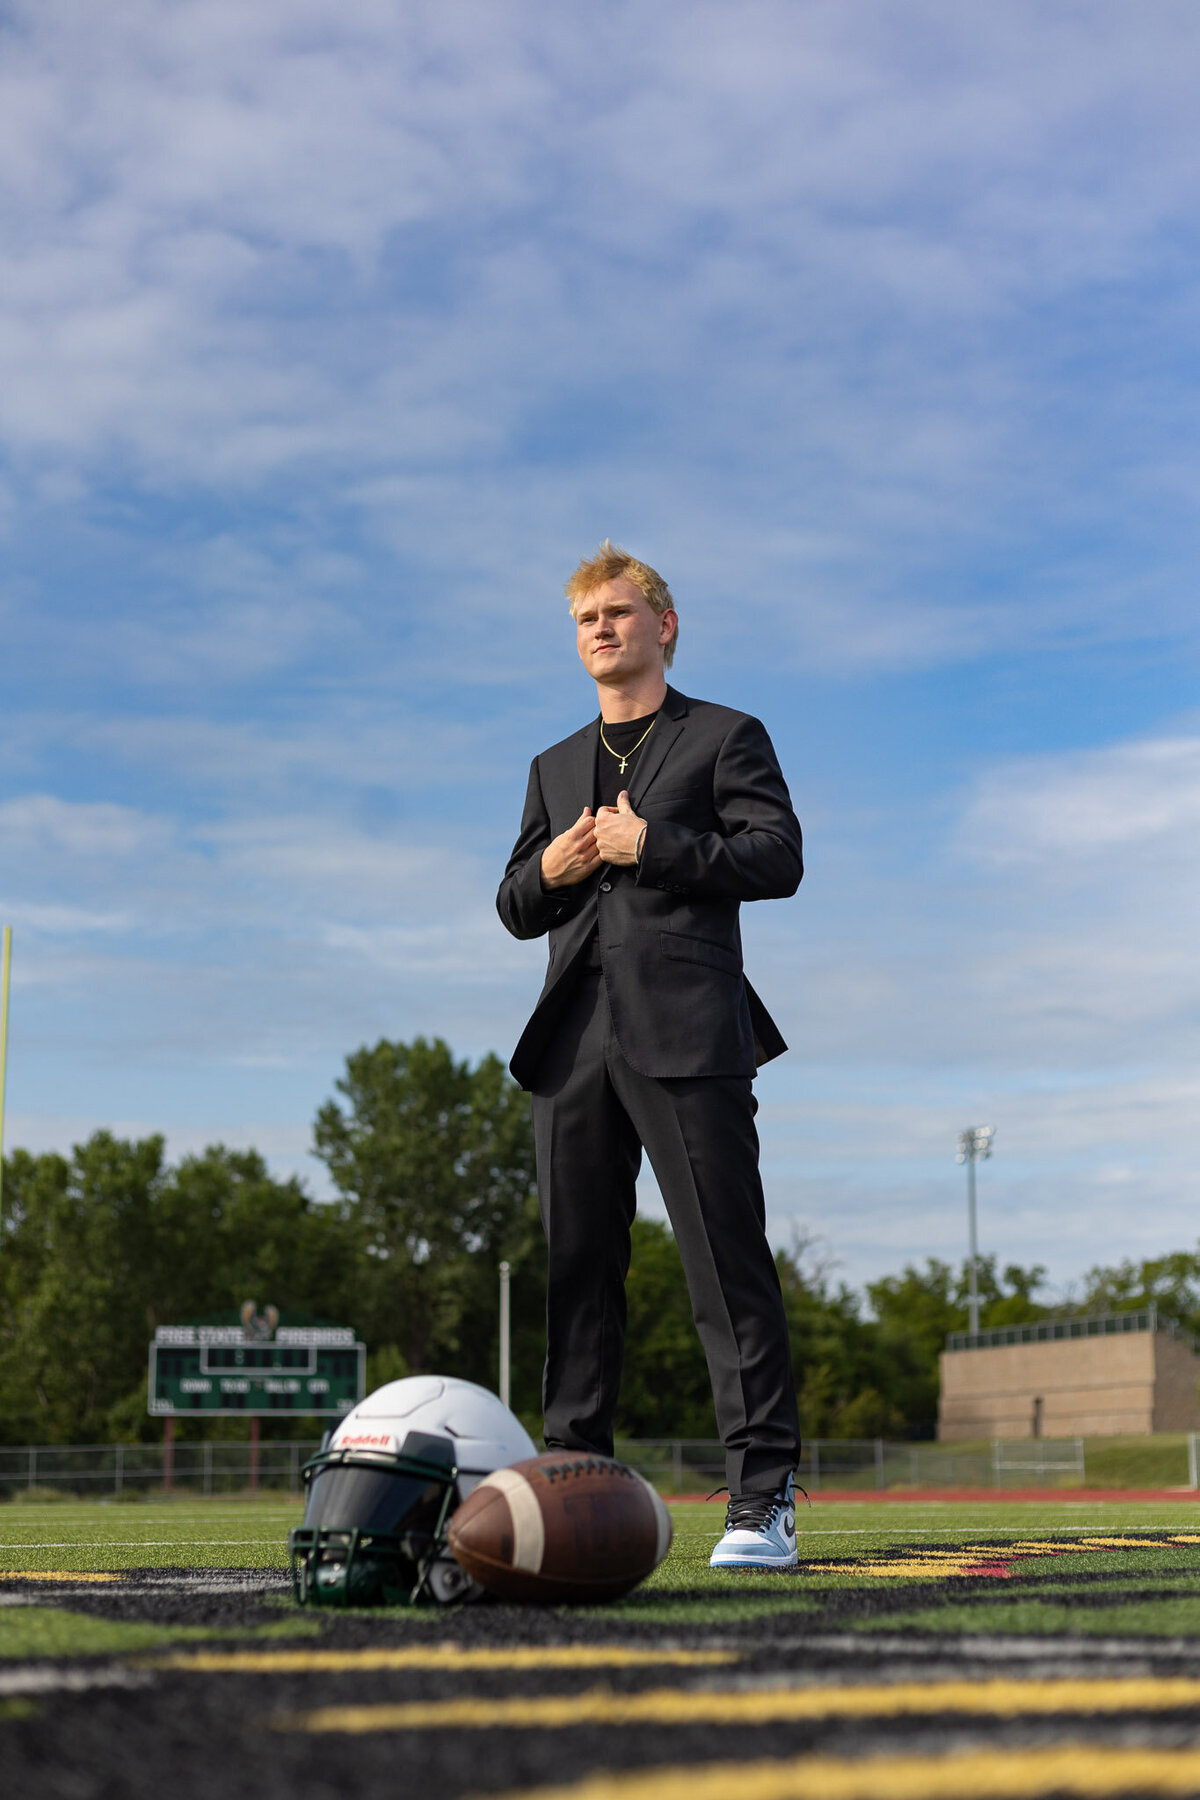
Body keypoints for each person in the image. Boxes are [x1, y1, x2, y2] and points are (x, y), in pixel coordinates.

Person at [496, 542, 804, 1568]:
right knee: (578, 1273)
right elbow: (511, 905)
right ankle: (571, 1489)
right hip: (572, 1042)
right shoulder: (549, 767)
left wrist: (654, 847)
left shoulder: (724, 737)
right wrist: (551, 863)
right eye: (586, 618)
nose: (602, 630)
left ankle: (762, 1500)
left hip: (689, 1034)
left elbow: (778, 858)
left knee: (724, 1265)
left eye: (620, 613)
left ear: (662, 626)